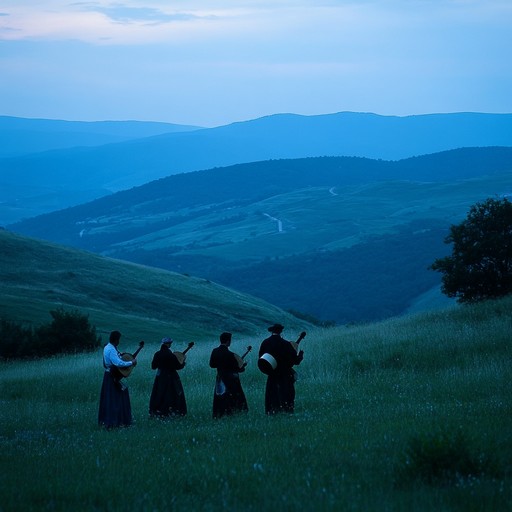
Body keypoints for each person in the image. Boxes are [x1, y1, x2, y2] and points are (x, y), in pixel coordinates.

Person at [258, 323, 304, 414]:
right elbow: (296, 361)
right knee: (286, 393)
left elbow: (261, 359)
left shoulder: (265, 342)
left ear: (272, 331)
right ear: (281, 331)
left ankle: (271, 411)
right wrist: (300, 355)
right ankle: (286, 410)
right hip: (285, 374)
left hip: (272, 373)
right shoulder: (286, 344)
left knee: (272, 393)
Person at [98, 330, 137, 429]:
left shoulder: (107, 347)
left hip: (109, 375)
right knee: (115, 399)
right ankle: (116, 421)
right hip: (112, 376)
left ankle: (110, 420)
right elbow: (118, 363)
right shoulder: (111, 349)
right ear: (116, 340)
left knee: (110, 399)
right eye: (118, 339)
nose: (119, 342)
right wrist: (131, 363)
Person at [209, 332, 249, 418]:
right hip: (231, 379)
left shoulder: (214, 351)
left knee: (220, 396)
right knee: (232, 397)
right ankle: (232, 413)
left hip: (220, 377)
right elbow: (239, 369)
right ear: (228, 341)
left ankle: (219, 414)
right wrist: (243, 366)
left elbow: (212, 365)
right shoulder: (231, 355)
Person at [149, 337, 187, 417]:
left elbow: (153, 366)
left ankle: (157, 411)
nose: (170, 344)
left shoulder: (157, 354)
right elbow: (178, 366)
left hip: (160, 376)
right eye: (170, 343)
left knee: (159, 393)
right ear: (168, 344)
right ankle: (172, 411)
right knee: (172, 394)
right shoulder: (171, 355)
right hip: (171, 377)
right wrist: (183, 362)